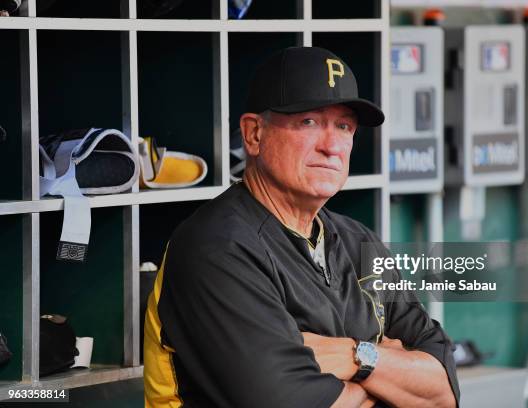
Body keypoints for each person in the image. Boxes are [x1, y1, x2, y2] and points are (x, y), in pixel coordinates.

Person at [143, 46, 459, 408]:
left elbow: (443, 393)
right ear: (254, 134)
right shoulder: (216, 247)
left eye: (344, 126)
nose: (332, 146)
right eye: (309, 122)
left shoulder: (359, 241)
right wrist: (392, 379)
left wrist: (355, 356)